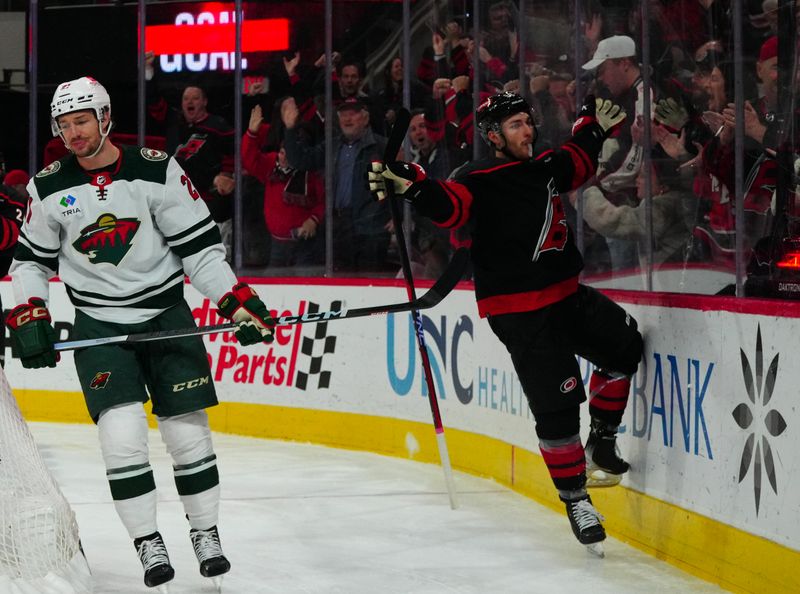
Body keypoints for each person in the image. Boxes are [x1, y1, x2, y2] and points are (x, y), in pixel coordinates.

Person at [5, 76, 276, 590]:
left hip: (165, 315)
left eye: (82, 120)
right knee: (122, 437)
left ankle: (206, 533)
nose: (74, 133)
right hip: (100, 324)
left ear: (105, 118)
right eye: (64, 124)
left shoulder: (155, 170)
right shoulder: (48, 186)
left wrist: (236, 300)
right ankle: (148, 541)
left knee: (186, 430)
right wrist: (30, 311)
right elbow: (29, 264)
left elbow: (200, 250)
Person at [369, 92, 644, 552]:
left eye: (528, 122)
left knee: (624, 347)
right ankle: (576, 499)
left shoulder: (545, 167)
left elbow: (577, 160)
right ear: (494, 136)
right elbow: (449, 204)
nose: (527, 131)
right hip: (521, 313)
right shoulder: (479, 176)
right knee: (557, 410)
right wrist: (414, 187)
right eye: (515, 125)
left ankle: (602, 439)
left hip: (566, 296)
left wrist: (591, 125)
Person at [283, 96, 391, 273]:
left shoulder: (382, 147)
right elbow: (301, 160)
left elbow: (403, 184)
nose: (347, 119)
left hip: (371, 230)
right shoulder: (332, 146)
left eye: (353, 113)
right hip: (339, 228)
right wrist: (290, 129)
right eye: (343, 114)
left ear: (365, 118)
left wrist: (399, 216)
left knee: (370, 284)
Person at [243, 102, 325, 268]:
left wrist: (314, 220)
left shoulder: (310, 171)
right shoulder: (271, 164)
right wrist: (252, 133)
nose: (283, 158)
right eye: (281, 152)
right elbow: (249, 159)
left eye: (289, 154)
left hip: (305, 245)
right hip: (277, 245)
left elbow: (324, 200)